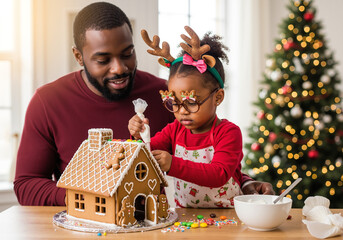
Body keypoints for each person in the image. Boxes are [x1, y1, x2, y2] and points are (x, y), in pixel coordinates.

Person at [14, 2, 273, 206]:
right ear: (79, 56)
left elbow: (205, 154)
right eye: (103, 60)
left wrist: (246, 184)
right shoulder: (47, 102)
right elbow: (26, 185)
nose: (120, 68)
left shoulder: (166, 95)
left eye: (127, 54)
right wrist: (92, 197)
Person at [129, 26, 274, 208]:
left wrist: (172, 164)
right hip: (186, 218)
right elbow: (145, 153)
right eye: (174, 102)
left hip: (229, 217)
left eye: (190, 102)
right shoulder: (174, 130)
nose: (182, 111)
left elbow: (218, 174)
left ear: (218, 97)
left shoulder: (228, 132)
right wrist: (138, 134)